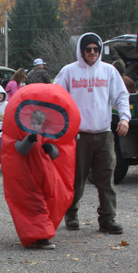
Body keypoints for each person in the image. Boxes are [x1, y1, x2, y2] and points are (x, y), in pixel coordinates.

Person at [55, 33, 131, 234]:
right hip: (78, 136)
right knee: (76, 179)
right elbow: (56, 99)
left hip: (104, 133)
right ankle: (71, 213)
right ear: (81, 51)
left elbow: (121, 96)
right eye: (88, 49)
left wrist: (124, 118)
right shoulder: (69, 72)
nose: (92, 53)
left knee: (106, 178)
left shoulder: (109, 71)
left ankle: (107, 218)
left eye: (96, 49)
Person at [1, 84, 81, 250]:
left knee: (51, 201)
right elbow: (19, 150)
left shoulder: (49, 139)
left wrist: (49, 148)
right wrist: (29, 140)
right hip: (27, 177)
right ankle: (40, 236)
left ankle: (42, 233)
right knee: (34, 204)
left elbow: (56, 155)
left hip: (47, 177)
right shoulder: (21, 136)